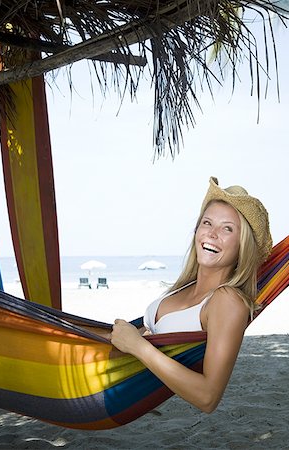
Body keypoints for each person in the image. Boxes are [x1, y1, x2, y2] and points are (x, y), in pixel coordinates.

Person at [108, 176, 272, 413]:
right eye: (207, 223)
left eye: (227, 228)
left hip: (113, 397)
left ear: (242, 245)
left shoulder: (227, 300)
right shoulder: (184, 287)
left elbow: (208, 397)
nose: (212, 234)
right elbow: (151, 335)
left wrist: (138, 347)